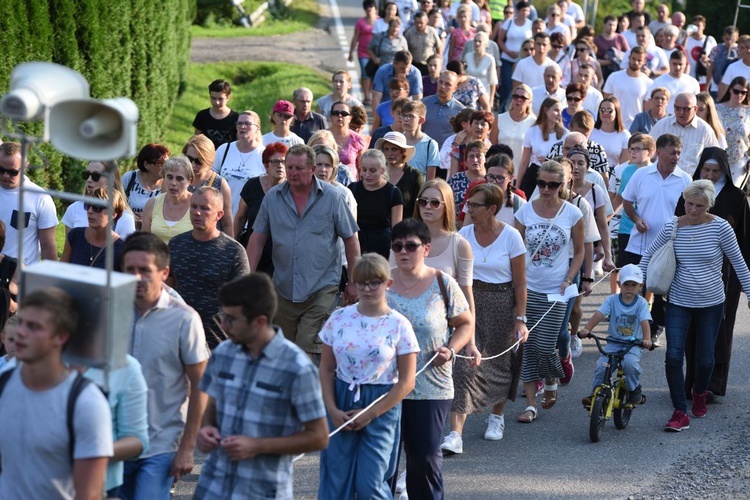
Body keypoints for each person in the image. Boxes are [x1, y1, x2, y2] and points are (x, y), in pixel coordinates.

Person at [195, 273, 329, 499]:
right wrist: (205, 429)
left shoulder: (296, 368)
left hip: (262, 490)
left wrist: (258, 445)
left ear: (259, 321)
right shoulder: (223, 354)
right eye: (223, 316)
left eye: (231, 319)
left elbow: (319, 436)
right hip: (214, 485)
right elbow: (212, 408)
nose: (223, 325)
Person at [640, 180, 750, 431]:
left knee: (705, 360)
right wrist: (633, 279)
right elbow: (648, 256)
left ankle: (700, 392)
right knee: (673, 355)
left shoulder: (721, 228)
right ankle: (679, 411)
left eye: (699, 206)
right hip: (679, 301)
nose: (692, 210)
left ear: (708, 205)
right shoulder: (672, 226)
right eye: (689, 204)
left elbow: (738, 263)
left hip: (711, 303)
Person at [318, 253, 418, 499]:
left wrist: (370, 413)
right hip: (341, 398)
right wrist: (331, 409)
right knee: (335, 480)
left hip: (381, 404)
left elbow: (407, 381)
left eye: (375, 282)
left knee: (370, 484)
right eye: (361, 282)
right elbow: (326, 368)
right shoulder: (339, 318)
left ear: (388, 283)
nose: (367, 288)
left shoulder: (399, 324)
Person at [247, 144, 361, 358]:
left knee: (307, 350)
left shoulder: (333, 197)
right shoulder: (272, 198)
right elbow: (257, 239)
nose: (292, 173)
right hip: (283, 288)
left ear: (312, 169)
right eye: (289, 167)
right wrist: (247, 279)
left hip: (321, 288)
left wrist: (354, 282)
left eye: (299, 168)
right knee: (286, 352)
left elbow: (351, 239)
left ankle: (311, 390)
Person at [386, 220, 472, 498]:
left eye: (410, 246)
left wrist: (451, 348)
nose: (403, 252)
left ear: (426, 248)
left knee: (423, 460)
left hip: (430, 387)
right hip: (385, 386)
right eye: (397, 246)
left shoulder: (442, 282)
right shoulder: (381, 283)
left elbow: (465, 322)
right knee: (382, 463)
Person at [121, 232, 210, 498]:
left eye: (145, 270)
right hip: (114, 441)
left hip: (160, 443)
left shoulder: (184, 320)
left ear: (164, 272)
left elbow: (200, 385)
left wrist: (187, 447)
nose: (136, 277)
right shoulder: (108, 310)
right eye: (129, 270)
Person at [0, 287, 112, 498]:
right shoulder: (4, 383)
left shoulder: (86, 403)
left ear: (60, 337)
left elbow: (89, 494)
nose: (21, 332)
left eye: (34, 327)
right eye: (21, 322)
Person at [441, 183, 527, 453]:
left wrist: (520, 319)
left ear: (492, 209)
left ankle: (497, 416)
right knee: (463, 365)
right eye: (468, 204)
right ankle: (456, 434)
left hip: (503, 303)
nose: (469, 209)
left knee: (501, 363)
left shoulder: (511, 236)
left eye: (475, 205)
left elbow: (521, 283)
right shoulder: (464, 234)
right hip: (469, 302)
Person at [675, 148, 750, 400]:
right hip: (688, 272)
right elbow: (674, 231)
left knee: (721, 331)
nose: (710, 174)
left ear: (725, 171)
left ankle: (713, 384)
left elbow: (744, 241)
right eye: (706, 170)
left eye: (715, 171)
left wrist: (745, 282)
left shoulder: (736, 197)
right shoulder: (690, 193)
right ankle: (691, 383)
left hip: (725, 276)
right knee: (690, 331)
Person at [514, 159, 584, 421]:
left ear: (563, 184)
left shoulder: (572, 213)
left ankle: (552, 379)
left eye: (552, 185)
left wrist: (570, 277)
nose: (545, 189)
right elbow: (516, 249)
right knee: (526, 346)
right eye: (541, 183)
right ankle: (531, 404)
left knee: (545, 345)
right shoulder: (525, 212)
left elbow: (579, 252)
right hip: (527, 288)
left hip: (556, 290)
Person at [168, 187, 249, 349]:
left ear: (219, 215)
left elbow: (244, 302)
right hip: (178, 339)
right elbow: (167, 290)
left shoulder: (233, 251)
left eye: (204, 208)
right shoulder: (176, 245)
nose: (197, 212)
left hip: (218, 343)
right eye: (194, 207)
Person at [578, 264, 652, 407]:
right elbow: (599, 314)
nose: (630, 288)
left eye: (634, 285)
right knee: (602, 366)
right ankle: (596, 394)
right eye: (626, 284)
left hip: (633, 344)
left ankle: (634, 389)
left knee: (630, 364)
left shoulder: (641, 303)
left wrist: (647, 339)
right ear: (619, 284)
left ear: (640, 286)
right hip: (613, 342)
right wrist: (587, 328)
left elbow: (644, 322)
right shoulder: (612, 300)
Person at [82, 353, 149, 498]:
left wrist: (90, 453)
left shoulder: (126, 367)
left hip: (101, 485)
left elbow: (137, 440)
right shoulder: (30, 360)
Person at [0, 142, 58, 265]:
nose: (5, 175)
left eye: (12, 172)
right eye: (1, 169)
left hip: (20, 277)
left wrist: (51, 280)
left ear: (25, 166)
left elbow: (48, 245)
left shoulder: (39, 197)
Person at [233, 142, 287, 272]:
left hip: (279, 257)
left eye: (283, 162)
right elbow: (240, 218)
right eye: (275, 162)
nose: (280, 166)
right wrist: (232, 246)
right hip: (252, 250)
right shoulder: (252, 185)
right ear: (266, 165)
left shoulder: (291, 191)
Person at [62, 160, 137, 240]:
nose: (89, 180)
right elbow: (69, 250)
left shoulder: (125, 218)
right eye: (86, 175)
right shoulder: (74, 209)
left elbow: (127, 251)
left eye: (95, 176)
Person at [349, 149, 404, 258]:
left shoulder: (393, 192)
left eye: (373, 170)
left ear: (382, 170)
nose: (367, 174)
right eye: (364, 170)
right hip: (356, 243)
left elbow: (397, 229)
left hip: (382, 246)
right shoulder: (353, 189)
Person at [649, 92, 720, 175]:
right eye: (678, 108)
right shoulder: (662, 125)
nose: (681, 112)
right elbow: (648, 153)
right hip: (661, 178)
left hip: (691, 182)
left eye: (686, 109)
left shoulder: (705, 130)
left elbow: (714, 159)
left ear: (695, 109)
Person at [212, 110, 266, 217]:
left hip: (248, 221)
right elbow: (210, 181)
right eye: (239, 123)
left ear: (257, 128)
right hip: (220, 217)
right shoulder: (224, 150)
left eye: (247, 123)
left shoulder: (264, 155)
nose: (242, 126)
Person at [61, 186, 126, 269]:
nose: (90, 211)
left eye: (97, 207)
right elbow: (61, 270)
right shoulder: (75, 235)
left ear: (113, 214)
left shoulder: (121, 248)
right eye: (88, 205)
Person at [183, 134, 234, 236]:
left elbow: (227, 224)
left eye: (198, 161)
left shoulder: (220, 184)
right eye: (189, 159)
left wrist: (229, 248)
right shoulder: (176, 178)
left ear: (209, 161)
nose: (193, 165)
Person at [517, 96, 568, 198]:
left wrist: (549, 161)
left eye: (560, 111)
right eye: (556, 110)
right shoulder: (532, 131)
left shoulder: (566, 134)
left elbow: (567, 161)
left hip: (556, 176)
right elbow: (524, 162)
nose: (559, 114)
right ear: (545, 110)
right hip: (534, 174)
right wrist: (517, 187)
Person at [142, 156, 194, 244]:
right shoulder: (152, 204)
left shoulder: (197, 205)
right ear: (163, 178)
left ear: (189, 181)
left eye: (179, 178)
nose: (173, 183)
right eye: (169, 177)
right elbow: (143, 242)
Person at [376, 130, 424, 217]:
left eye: (394, 149)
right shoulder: (377, 172)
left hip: (406, 226)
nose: (389, 153)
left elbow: (419, 206)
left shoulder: (414, 175)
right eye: (386, 149)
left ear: (403, 151)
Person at [495, 1, 533, 112]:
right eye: (523, 10)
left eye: (527, 11)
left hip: (523, 59)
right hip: (507, 58)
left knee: (521, 86)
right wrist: (507, 51)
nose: (525, 13)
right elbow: (500, 39)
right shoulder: (509, 22)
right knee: (507, 84)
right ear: (518, 11)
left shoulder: (530, 25)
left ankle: (520, 109)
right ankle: (503, 110)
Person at [602, 46, 652, 129]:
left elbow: (646, 110)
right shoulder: (614, 76)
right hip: (613, 125)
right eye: (633, 59)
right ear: (629, 58)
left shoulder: (649, 83)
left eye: (639, 60)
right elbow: (606, 101)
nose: (635, 62)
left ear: (644, 61)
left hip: (635, 127)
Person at [490, 84, 536, 171]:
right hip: (500, 171)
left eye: (523, 98)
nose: (518, 100)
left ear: (529, 101)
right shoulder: (500, 118)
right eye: (516, 96)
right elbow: (492, 147)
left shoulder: (534, 123)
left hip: (522, 172)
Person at [123, 144, 170, 227]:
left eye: (167, 163)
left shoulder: (168, 184)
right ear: (146, 165)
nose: (165, 167)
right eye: (160, 163)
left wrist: (148, 217)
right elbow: (115, 203)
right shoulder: (130, 177)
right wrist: (130, 216)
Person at [421, 70, 465, 155]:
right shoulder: (423, 104)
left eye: (447, 84)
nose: (442, 86)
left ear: (455, 88)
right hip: (423, 154)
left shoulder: (461, 111)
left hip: (445, 158)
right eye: (440, 82)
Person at [716, 76, 750, 186]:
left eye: (743, 92)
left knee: (733, 193)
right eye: (736, 91)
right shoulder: (717, 109)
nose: (739, 95)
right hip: (718, 158)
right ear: (730, 89)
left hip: (739, 160)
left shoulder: (748, 111)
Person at [192, 79, 240, 150]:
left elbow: (239, 142)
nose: (217, 102)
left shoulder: (236, 118)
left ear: (228, 97)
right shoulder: (202, 116)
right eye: (213, 98)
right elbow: (196, 140)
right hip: (206, 156)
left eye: (220, 99)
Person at [590, 97, 630, 174]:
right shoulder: (591, 131)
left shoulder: (625, 135)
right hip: (591, 172)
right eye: (602, 110)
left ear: (616, 112)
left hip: (612, 173)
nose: (605, 113)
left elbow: (623, 165)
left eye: (609, 110)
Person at [350, 0, 379, 105]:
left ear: (375, 8)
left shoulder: (380, 21)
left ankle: (371, 92)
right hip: (363, 51)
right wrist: (351, 52)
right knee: (365, 73)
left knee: (373, 75)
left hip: (376, 53)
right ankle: (367, 96)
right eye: (367, 7)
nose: (369, 9)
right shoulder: (361, 22)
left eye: (371, 6)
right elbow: (355, 37)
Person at [330, 101, 368, 181]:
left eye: (344, 113)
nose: (340, 116)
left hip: (351, 186)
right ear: (331, 116)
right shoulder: (321, 137)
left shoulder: (357, 139)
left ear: (350, 118)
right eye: (336, 113)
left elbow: (362, 168)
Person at [450, 110, 493, 177]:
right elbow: (453, 177)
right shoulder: (458, 151)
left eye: (483, 124)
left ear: (489, 130)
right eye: (476, 123)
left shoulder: (492, 152)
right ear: (470, 125)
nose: (479, 127)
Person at [448, 140, 487, 214]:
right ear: (465, 161)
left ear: (485, 159)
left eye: (478, 156)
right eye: (471, 156)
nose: (475, 160)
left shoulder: (491, 179)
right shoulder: (455, 179)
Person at [465, 32, 497, 109]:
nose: (477, 43)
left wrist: (491, 100)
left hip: (484, 95)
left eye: (480, 41)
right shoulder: (468, 56)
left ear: (485, 43)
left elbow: (493, 82)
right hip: (469, 94)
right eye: (475, 41)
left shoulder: (490, 59)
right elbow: (464, 76)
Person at [594, 15, 630, 80]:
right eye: (609, 25)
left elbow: (628, 54)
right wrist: (610, 61)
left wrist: (615, 57)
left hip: (617, 71)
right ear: (604, 25)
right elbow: (593, 59)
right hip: (601, 71)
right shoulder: (597, 40)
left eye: (614, 25)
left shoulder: (620, 38)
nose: (612, 27)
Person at [707, 26, 739, 99]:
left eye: (732, 39)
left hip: (734, 88)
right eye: (727, 39)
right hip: (716, 87)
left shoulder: (740, 51)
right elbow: (711, 68)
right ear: (723, 37)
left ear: (737, 38)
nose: (729, 42)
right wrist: (707, 87)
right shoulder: (716, 49)